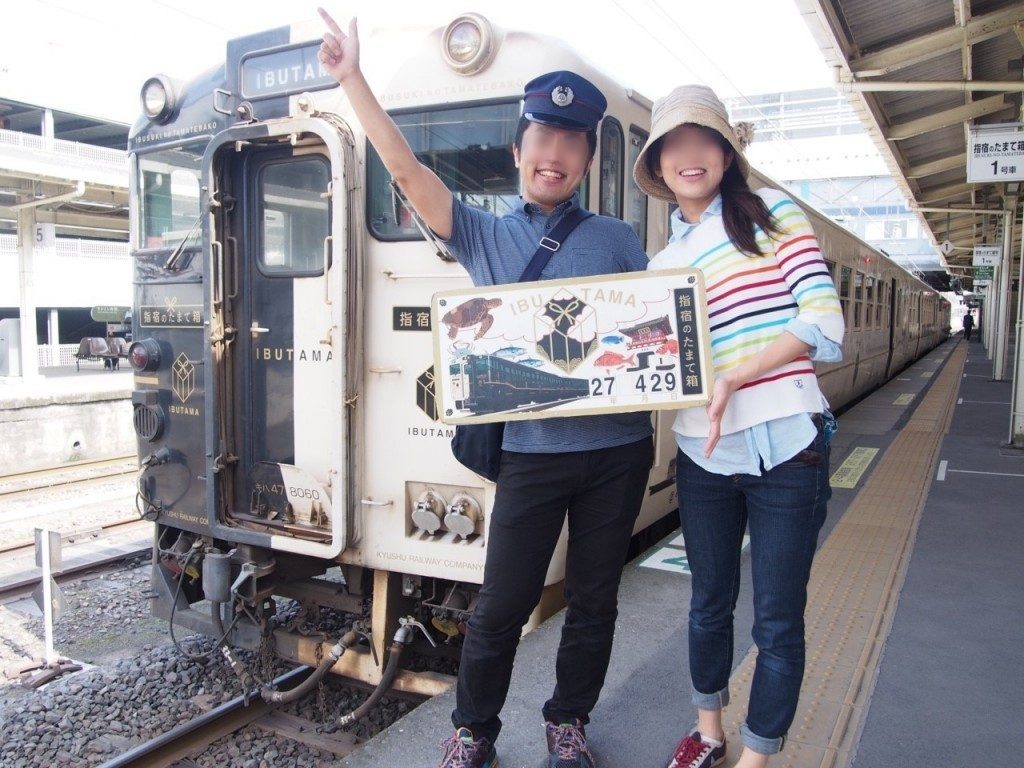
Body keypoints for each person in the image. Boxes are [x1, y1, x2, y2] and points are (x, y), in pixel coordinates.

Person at [318, 11, 654, 768]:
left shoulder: (620, 239)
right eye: (544, 138)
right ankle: (473, 729)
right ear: (519, 150)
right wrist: (351, 81)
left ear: (588, 158)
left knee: (595, 603)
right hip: (534, 454)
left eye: (572, 142)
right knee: (501, 605)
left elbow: (647, 337)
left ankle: (568, 722)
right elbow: (404, 171)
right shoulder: (481, 233)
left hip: (619, 450)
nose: (556, 154)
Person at [633, 85, 845, 768]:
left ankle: (756, 756)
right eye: (675, 145)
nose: (690, 155)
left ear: (725, 152)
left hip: (790, 444)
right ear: (659, 165)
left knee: (778, 619)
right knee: (708, 603)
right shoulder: (660, 266)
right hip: (704, 450)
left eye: (703, 140)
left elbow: (824, 323)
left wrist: (737, 375)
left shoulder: (771, 212)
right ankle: (709, 733)